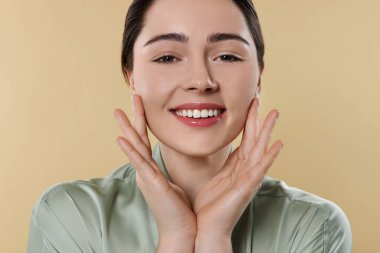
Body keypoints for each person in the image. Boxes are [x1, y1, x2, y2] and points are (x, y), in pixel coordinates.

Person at [27, 0, 352, 252]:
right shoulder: (72, 217)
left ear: (259, 78)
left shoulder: (314, 225)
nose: (201, 81)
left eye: (226, 56)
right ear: (132, 77)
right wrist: (176, 238)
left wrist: (214, 238)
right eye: (168, 57)